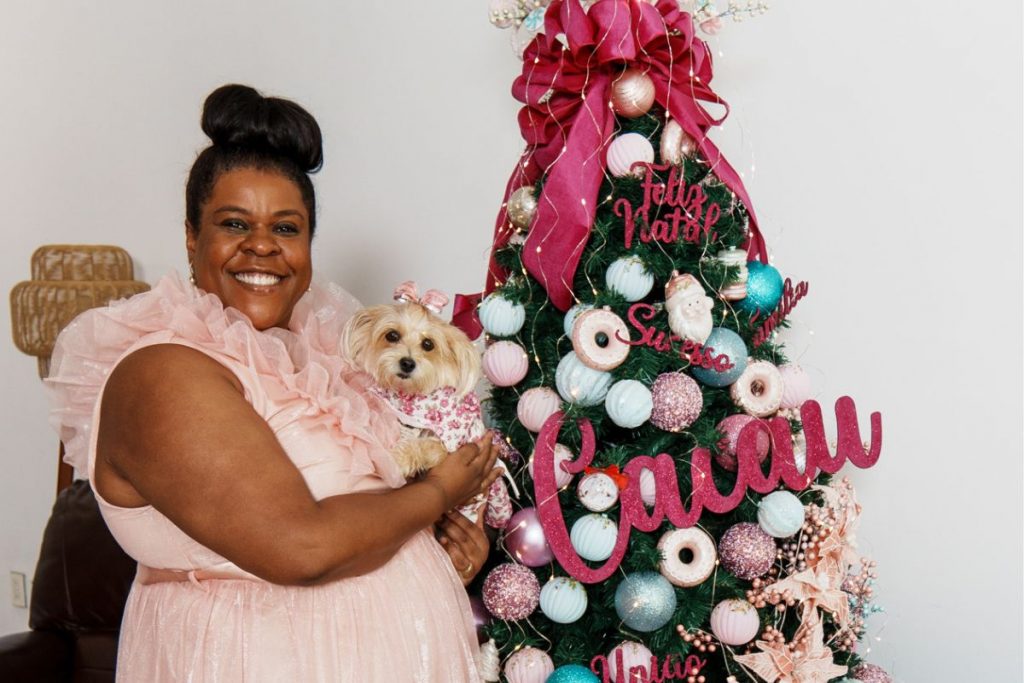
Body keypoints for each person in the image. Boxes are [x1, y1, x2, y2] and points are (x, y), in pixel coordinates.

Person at [45, 84, 499, 682]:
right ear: (191, 235)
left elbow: (374, 508)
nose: (262, 245)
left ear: (309, 244)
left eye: (286, 228)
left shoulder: (327, 358)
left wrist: (446, 545)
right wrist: (438, 493)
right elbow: (300, 548)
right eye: (235, 223)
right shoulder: (162, 371)